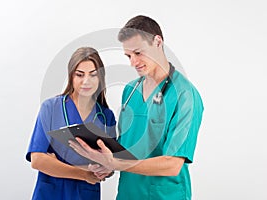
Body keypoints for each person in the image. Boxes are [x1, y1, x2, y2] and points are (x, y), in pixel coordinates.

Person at [69, 15, 204, 200]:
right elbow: (124, 153)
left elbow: (172, 165)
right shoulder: (130, 90)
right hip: (127, 194)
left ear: (157, 42)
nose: (133, 62)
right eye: (128, 56)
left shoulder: (185, 95)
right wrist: (106, 165)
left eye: (138, 53)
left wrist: (116, 163)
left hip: (164, 195)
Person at [25, 47, 116, 200]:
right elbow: (38, 160)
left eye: (93, 75)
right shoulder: (51, 108)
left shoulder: (106, 117)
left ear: (100, 78)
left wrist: (107, 169)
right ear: (71, 76)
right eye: (79, 75)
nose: (86, 81)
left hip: (86, 194)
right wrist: (84, 174)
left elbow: (111, 163)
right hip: (51, 193)